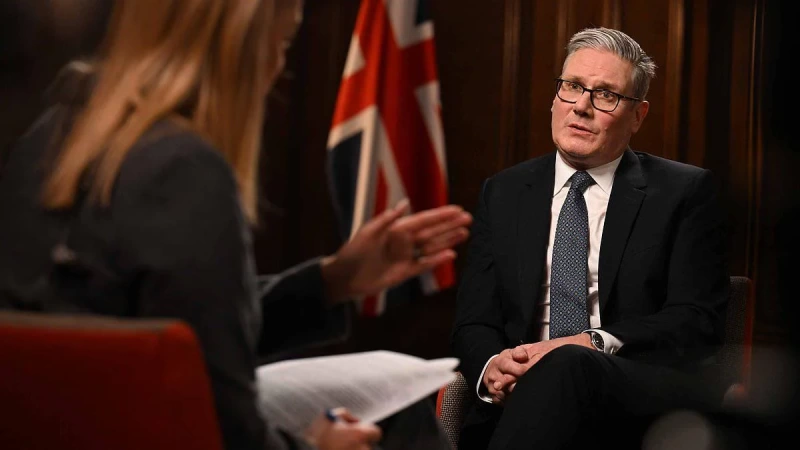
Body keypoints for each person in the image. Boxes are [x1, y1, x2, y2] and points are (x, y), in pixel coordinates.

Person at [0, 1, 470, 450]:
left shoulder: (52, 134)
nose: (278, 69)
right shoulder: (183, 170)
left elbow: (170, 337)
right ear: (241, 43)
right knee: (403, 417)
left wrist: (333, 281)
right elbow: (222, 430)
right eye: (282, 43)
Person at [451, 26, 730, 450]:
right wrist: (493, 367)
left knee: (569, 363)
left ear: (638, 116)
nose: (581, 107)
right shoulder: (504, 191)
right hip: (521, 401)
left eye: (606, 95)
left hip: (634, 395)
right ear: (555, 98)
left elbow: (697, 319)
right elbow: (474, 320)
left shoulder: (684, 191)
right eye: (572, 87)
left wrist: (591, 342)